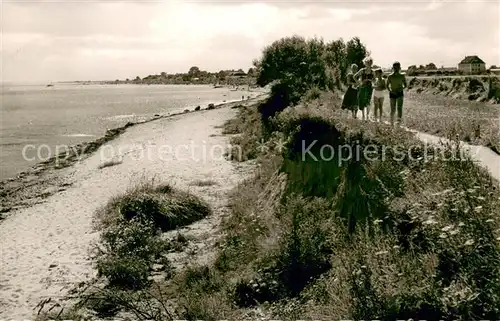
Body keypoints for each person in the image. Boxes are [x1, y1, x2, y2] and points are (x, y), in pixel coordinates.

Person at [386, 61, 407, 126]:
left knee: (399, 107)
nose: (396, 69)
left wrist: (402, 88)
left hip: (400, 93)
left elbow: (405, 85)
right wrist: (391, 91)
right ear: (393, 68)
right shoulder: (390, 76)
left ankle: (399, 122)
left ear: (399, 68)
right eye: (395, 68)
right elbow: (387, 86)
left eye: (397, 67)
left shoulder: (402, 76)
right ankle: (391, 122)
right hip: (392, 93)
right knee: (393, 108)